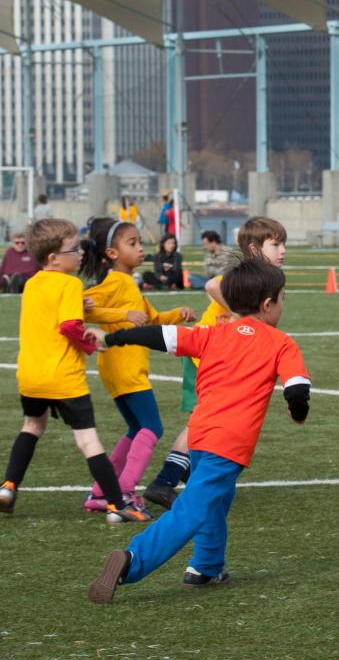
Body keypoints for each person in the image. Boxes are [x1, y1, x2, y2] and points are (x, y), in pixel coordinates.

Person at [86, 257, 312, 603]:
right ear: (268, 305)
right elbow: (297, 388)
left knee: (217, 499)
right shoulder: (281, 343)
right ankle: (132, 560)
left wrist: (115, 338)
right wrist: (298, 412)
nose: (283, 305)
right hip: (230, 443)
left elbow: (160, 335)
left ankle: (205, 566)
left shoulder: (212, 334)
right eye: (283, 298)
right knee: (193, 508)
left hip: (200, 436)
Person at [0, 219, 147, 523]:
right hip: (64, 377)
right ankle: (117, 504)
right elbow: (68, 326)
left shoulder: (33, 283)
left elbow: (57, 312)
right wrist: (91, 341)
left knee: (32, 426)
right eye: (74, 249)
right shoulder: (70, 283)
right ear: (53, 258)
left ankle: (8, 486)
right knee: (88, 441)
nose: (81, 253)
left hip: (30, 375)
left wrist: (83, 306)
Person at [143, 217, 286, 510]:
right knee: (205, 420)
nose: (283, 250)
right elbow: (211, 284)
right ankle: (166, 481)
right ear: (254, 249)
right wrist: (244, 311)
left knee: (210, 420)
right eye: (276, 244)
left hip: (218, 356)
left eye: (283, 243)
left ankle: (185, 481)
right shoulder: (245, 277)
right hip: (207, 354)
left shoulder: (263, 277)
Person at [79, 217, 195, 511]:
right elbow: (78, 305)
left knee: (136, 429)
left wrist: (177, 315)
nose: (141, 248)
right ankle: (126, 492)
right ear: (112, 254)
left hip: (119, 370)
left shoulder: (129, 284)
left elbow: (152, 320)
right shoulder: (115, 281)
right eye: (133, 243)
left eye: (140, 242)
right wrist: (122, 316)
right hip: (125, 367)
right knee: (153, 428)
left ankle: (99, 493)